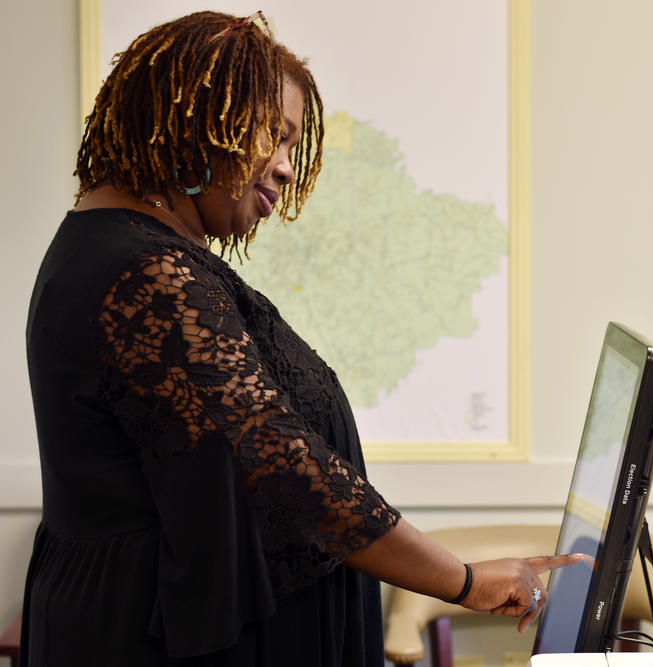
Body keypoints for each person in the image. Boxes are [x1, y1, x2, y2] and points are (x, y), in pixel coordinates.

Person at [21, 11, 579, 666]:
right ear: (202, 115)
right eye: (275, 137)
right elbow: (284, 474)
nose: (286, 169)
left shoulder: (129, 251)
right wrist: (464, 580)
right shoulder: (147, 274)